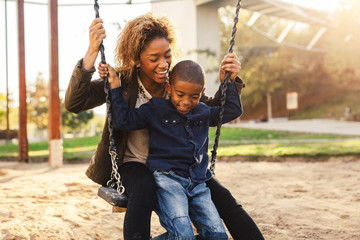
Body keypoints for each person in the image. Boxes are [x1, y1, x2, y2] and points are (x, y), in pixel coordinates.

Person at [65, 13, 264, 240]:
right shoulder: (121, 81)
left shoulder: (175, 85)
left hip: (180, 163)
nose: (163, 64)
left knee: (223, 198)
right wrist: (92, 52)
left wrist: (229, 80)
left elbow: (209, 110)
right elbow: (75, 102)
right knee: (143, 190)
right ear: (137, 58)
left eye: (167, 56)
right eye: (154, 58)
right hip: (136, 163)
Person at [108, 59, 240, 239]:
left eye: (194, 96)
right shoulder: (156, 109)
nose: (186, 102)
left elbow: (232, 110)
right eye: (180, 94)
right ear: (169, 88)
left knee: (218, 235)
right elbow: (124, 120)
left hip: (198, 184)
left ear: (202, 92)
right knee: (184, 235)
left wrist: (229, 81)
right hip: (168, 182)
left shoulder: (203, 111)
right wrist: (115, 88)